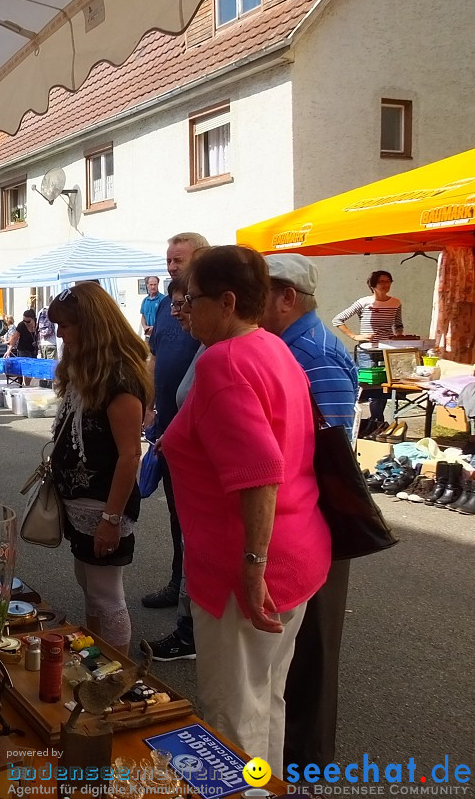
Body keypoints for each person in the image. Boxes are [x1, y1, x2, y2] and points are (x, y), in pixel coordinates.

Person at [162, 245, 331, 768]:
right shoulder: (273, 346)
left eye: (193, 300)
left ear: (228, 301)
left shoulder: (224, 361)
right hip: (294, 551)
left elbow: (260, 476)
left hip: (247, 570)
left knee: (231, 719)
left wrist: (252, 570)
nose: (185, 310)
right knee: (265, 698)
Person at [261, 253, 358, 770]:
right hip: (300, 515)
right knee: (294, 651)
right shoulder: (288, 346)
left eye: (261, 293)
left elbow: (333, 455)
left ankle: (307, 764)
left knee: (315, 649)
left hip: (319, 516)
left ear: (287, 297)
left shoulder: (316, 353)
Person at [46, 283, 152, 653]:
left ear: (90, 326)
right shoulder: (86, 369)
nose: (60, 334)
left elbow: (129, 456)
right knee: (88, 584)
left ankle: (114, 670)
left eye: (67, 326)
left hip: (103, 504)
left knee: (106, 594)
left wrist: (110, 519)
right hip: (81, 501)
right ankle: (96, 655)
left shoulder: (119, 380)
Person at [141, 233, 208, 621]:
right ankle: (177, 581)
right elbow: (154, 357)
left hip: (191, 433)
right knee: (176, 513)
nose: (171, 267)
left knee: (194, 515)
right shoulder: (168, 304)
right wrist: (149, 404)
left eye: (179, 260)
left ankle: (193, 598)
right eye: (168, 260)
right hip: (165, 426)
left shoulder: (203, 308)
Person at [331, 270, 403, 428]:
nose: (385, 285)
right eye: (381, 282)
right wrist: (354, 336)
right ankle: (358, 421)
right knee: (368, 386)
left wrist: (399, 337)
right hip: (367, 351)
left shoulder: (396, 302)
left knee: (382, 388)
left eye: (388, 281)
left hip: (387, 350)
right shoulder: (363, 302)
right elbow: (338, 319)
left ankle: (377, 420)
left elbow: (398, 324)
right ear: (373, 285)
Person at [4, 309, 39, 385]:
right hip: (23, 349)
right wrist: (9, 350)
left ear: (33, 319)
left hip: (34, 349)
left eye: (28, 321)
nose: (26, 323)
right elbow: (15, 338)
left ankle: (26, 384)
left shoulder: (38, 324)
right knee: (27, 368)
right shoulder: (21, 325)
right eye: (24, 321)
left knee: (32, 368)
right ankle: (26, 385)